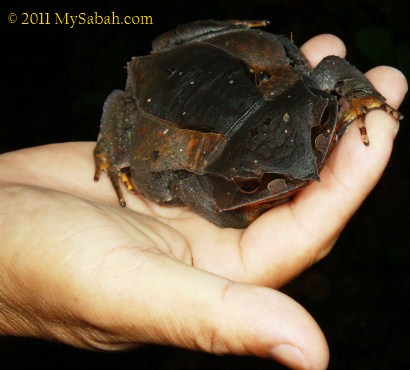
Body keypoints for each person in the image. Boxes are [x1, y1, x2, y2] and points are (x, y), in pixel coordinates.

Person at [0, 34, 407, 370]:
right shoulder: (206, 171)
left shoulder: (300, 92)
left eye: (316, 123)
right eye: (253, 180)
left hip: (212, 60)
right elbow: (178, 172)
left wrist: (357, 94)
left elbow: (333, 69)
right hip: (159, 91)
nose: (309, 167)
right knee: (149, 180)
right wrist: (239, 215)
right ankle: (110, 149)